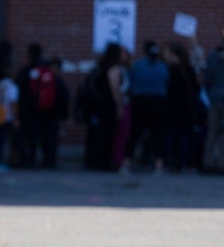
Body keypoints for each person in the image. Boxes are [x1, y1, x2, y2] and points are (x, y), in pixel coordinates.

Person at [120, 41, 169, 175]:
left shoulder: (137, 66)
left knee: (134, 134)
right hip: (158, 102)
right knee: (157, 135)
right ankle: (159, 166)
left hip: (139, 101)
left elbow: (130, 83)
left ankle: (126, 164)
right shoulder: (163, 67)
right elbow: (166, 83)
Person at [82, 43, 123, 171]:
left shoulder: (100, 66)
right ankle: (104, 162)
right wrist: (119, 106)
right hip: (107, 106)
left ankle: (94, 160)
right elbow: (114, 89)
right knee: (108, 135)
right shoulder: (113, 68)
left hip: (97, 106)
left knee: (97, 134)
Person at [164, 42, 202, 172]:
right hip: (187, 108)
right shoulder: (188, 69)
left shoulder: (171, 70)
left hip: (173, 108)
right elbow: (196, 87)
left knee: (173, 135)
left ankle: (174, 162)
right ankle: (185, 162)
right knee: (184, 136)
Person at [28, 56, 70, 168]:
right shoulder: (57, 81)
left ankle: (37, 159)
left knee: (40, 137)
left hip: (40, 113)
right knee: (51, 138)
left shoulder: (40, 79)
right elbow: (64, 97)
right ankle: (49, 160)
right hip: (53, 114)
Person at [0, 40, 18, 172]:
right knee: (2, 138)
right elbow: (13, 101)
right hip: (5, 114)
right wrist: (16, 116)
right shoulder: (8, 84)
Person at [13, 43, 45, 167]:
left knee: (22, 135)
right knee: (34, 136)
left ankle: (22, 159)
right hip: (39, 108)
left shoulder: (24, 71)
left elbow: (16, 87)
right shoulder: (43, 71)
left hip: (24, 108)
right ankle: (32, 159)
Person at [204, 28, 224, 171]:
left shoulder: (213, 56)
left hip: (215, 98)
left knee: (212, 132)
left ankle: (209, 162)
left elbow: (207, 79)